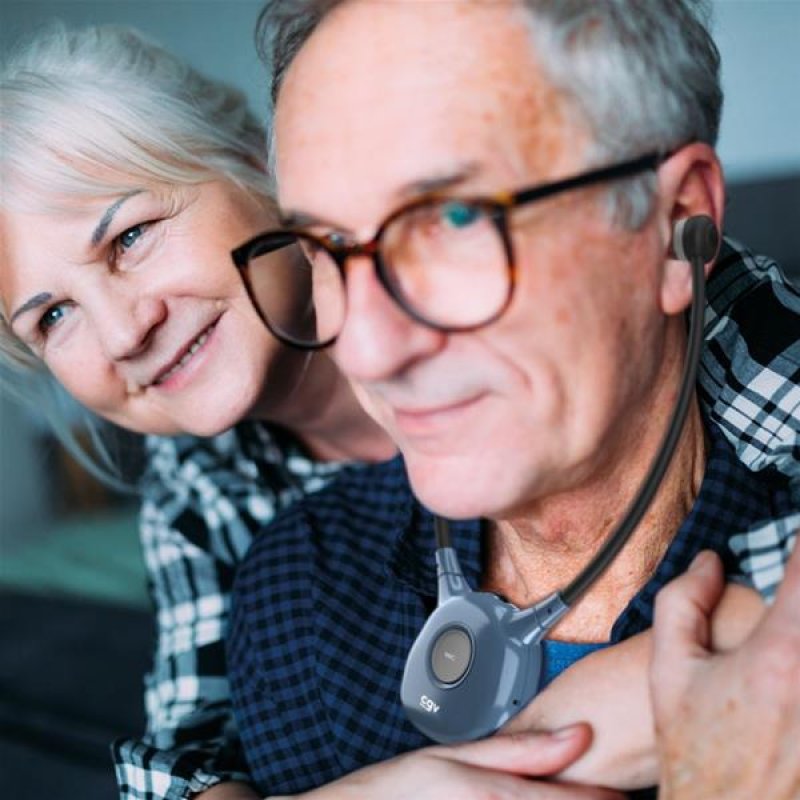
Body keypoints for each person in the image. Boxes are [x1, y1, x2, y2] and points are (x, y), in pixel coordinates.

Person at [224, 0, 800, 797]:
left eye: (453, 219)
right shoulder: (300, 594)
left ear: (677, 225)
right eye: (327, 249)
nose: (365, 349)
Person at [0, 24, 396, 800]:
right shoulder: (196, 490)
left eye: (131, 236)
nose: (123, 332)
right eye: (52, 318)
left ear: (254, 160)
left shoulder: (461, 299)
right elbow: (190, 755)